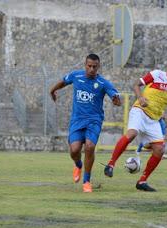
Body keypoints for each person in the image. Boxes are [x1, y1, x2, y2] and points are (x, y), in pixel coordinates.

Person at [104, 56, 167, 192]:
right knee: (131, 134)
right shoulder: (156, 75)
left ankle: (142, 181)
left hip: (153, 120)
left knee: (159, 150)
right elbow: (136, 84)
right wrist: (140, 97)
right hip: (140, 111)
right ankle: (111, 164)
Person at [50, 54, 121, 193]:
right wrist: (52, 90)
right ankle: (78, 165)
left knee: (90, 146)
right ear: (85, 65)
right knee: (75, 150)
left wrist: (116, 100)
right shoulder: (76, 76)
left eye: (95, 66)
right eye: (89, 66)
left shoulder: (103, 83)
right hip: (77, 120)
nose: (91, 69)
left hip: (94, 121)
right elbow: (63, 82)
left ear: (98, 66)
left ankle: (86, 181)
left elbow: (114, 95)